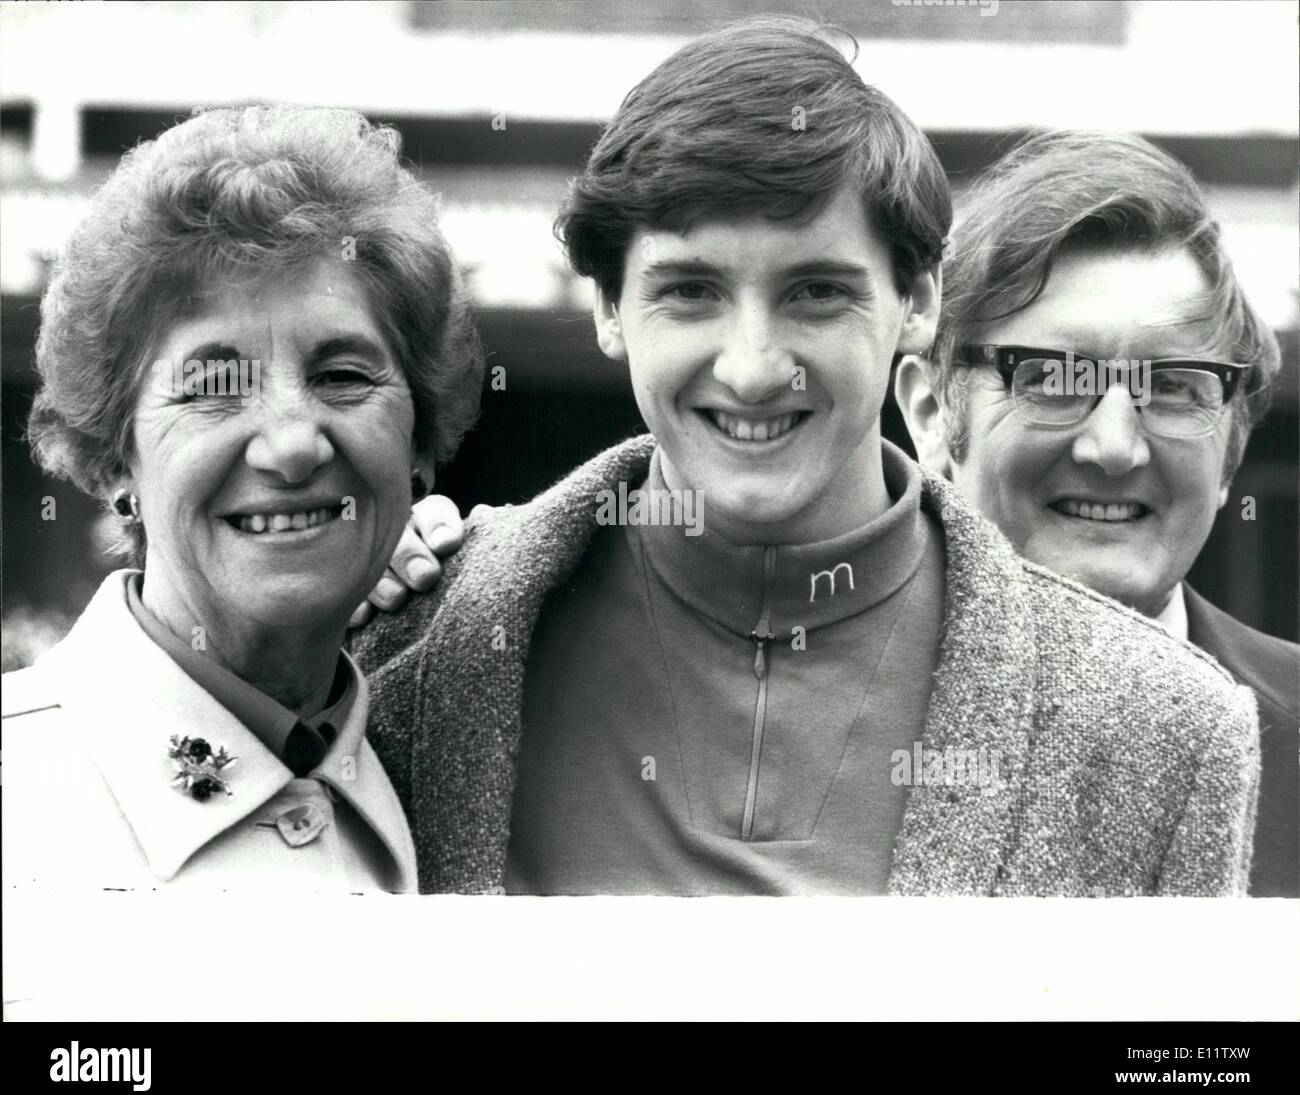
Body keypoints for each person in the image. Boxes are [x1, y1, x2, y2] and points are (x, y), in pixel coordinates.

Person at [352, 18, 1259, 897]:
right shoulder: (398, 642)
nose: (751, 368)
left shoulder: (1163, 729)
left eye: (816, 292)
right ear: (607, 309)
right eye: (691, 291)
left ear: (918, 302)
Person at [2, 105, 482, 892]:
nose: (293, 445)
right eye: (215, 385)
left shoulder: (450, 783)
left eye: (343, 376)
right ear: (113, 454)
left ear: (421, 442)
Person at [893, 130, 1298, 896]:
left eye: (1174, 385)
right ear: (928, 411)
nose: (1115, 447)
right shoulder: (814, 721)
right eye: (1052, 377)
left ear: (1232, 447)